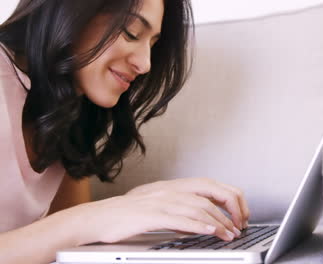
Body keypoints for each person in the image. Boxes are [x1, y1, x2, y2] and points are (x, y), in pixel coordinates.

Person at [0, 0, 250, 263]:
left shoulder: (70, 110)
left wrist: (142, 204)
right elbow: (76, 224)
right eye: (131, 32)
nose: (145, 65)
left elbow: (68, 243)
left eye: (152, 44)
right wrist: (95, 216)